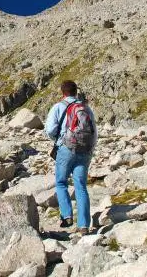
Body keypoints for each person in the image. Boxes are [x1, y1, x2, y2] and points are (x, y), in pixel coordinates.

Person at [44, 80, 98, 234]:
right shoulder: (86, 108)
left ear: (63, 93)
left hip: (66, 149)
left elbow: (49, 129)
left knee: (61, 183)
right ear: (76, 91)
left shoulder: (58, 106)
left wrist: (58, 140)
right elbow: (94, 131)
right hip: (85, 150)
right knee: (81, 186)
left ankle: (67, 216)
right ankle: (83, 225)